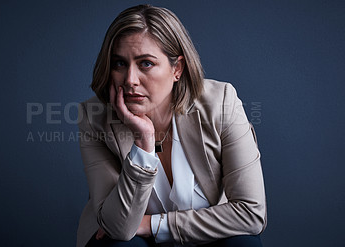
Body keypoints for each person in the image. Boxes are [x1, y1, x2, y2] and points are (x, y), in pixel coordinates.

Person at [76, 4, 267, 247]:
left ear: (177, 68)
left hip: (205, 237)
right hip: (135, 243)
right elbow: (118, 228)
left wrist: (152, 225)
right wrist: (143, 143)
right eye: (119, 64)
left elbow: (251, 213)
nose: (130, 80)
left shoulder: (221, 103)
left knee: (244, 244)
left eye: (145, 63)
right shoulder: (95, 119)